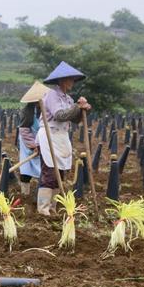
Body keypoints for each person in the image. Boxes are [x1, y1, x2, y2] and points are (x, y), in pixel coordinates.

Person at [36, 62, 92, 216]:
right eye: (70, 79)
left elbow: (74, 120)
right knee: (50, 172)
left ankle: (53, 207)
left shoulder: (68, 98)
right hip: (49, 135)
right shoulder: (52, 95)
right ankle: (43, 208)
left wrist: (83, 110)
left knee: (60, 173)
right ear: (62, 80)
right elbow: (60, 115)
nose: (72, 82)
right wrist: (77, 107)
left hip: (61, 137)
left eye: (74, 79)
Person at [17, 82, 50, 197]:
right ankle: (24, 193)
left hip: (41, 142)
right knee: (26, 169)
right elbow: (24, 130)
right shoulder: (28, 112)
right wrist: (33, 145)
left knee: (44, 169)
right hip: (28, 143)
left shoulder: (45, 110)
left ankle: (41, 193)